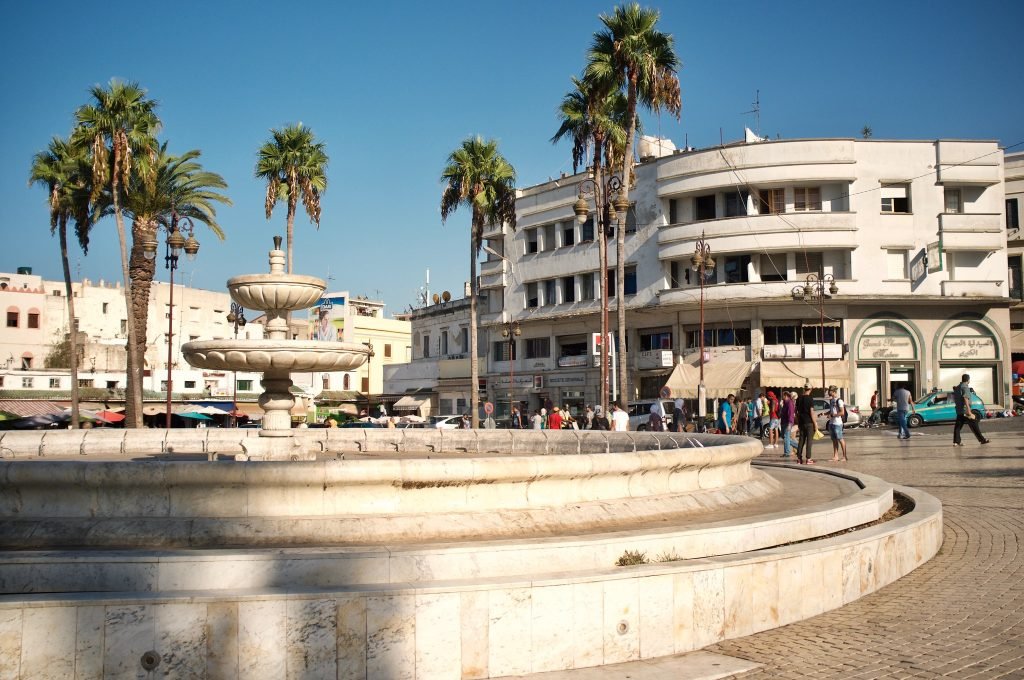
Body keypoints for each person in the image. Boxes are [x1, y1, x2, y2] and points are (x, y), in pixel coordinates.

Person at [953, 373, 990, 446]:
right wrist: (968, 409)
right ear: (968, 380)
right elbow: (965, 398)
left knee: (958, 426)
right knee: (974, 424)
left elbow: (955, 397)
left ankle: (956, 442)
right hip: (965, 410)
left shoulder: (957, 387)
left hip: (959, 410)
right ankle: (982, 440)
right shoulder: (965, 387)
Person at [795, 385, 817, 465]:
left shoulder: (798, 398)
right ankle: (808, 459)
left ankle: (799, 459)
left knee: (801, 440)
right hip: (809, 422)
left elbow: (795, 411)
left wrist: (798, 420)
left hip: (801, 422)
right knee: (809, 441)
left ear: (804, 389)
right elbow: (811, 412)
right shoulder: (810, 399)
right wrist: (815, 423)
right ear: (810, 389)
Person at [827, 386, 848, 462]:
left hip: (838, 423)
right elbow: (832, 411)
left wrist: (833, 415)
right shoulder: (831, 400)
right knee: (834, 440)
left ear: (834, 392)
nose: (829, 392)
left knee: (840, 439)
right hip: (832, 423)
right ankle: (835, 456)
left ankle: (844, 456)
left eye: (830, 391)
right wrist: (825, 413)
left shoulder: (839, 401)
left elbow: (842, 412)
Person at [780, 391, 796, 457]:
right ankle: (798, 446)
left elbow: (790, 414)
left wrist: (790, 423)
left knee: (786, 437)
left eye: (783, 396)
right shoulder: (785, 403)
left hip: (787, 422)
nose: (782, 397)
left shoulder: (789, 403)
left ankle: (787, 453)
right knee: (784, 436)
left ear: (786, 395)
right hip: (784, 422)